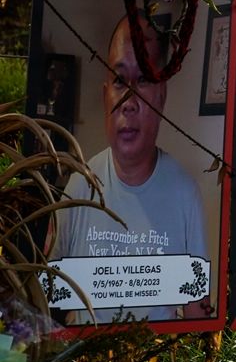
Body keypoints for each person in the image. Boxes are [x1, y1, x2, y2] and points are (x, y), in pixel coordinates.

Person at [48, 17, 208, 322]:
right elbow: (50, 303)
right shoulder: (79, 187)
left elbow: (197, 312)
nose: (129, 102)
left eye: (144, 80)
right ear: (105, 93)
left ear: (162, 97)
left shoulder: (184, 193)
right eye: (120, 81)